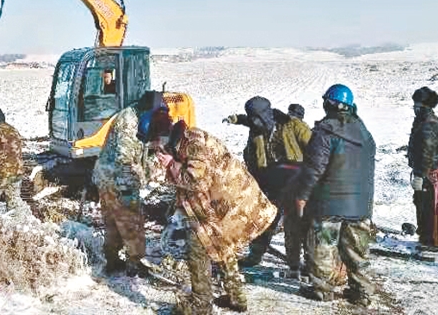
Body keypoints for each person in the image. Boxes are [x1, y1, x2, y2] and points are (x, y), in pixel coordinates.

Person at [149, 120, 278, 314]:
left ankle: (200, 305)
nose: (157, 151)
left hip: (231, 204)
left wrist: (171, 165)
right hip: (220, 204)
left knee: (198, 248)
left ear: (163, 138)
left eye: (156, 146)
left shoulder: (195, 143)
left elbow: (195, 180)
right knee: (221, 245)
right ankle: (237, 297)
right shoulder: (182, 142)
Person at [293, 84, 376, 307]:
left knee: (322, 247)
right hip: (360, 206)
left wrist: (302, 196)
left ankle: (322, 290)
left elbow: (313, 169)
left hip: (329, 204)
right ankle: (362, 292)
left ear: (329, 104)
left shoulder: (325, 132)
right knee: (357, 251)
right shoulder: (364, 133)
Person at [223, 97, 312, 269]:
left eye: (257, 117)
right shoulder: (256, 129)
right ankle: (255, 256)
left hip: (295, 183)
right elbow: (247, 129)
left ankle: (309, 265)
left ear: (266, 114)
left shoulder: (292, 126)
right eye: (252, 118)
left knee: (298, 226)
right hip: (270, 184)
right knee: (263, 221)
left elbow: (315, 148)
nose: (255, 122)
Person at [92, 90, 170, 276]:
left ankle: (112, 260)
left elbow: (142, 147)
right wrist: (136, 183)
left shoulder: (138, 116)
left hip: (107, 176)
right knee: (131, 220)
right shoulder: (129, 121)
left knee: (112, 220)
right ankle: (134, 263)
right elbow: (124, 160)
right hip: (118, 178)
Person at [407, 86, 438, 249]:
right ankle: (426, 237)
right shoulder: (426, 121)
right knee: (423, 204)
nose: (415, 109)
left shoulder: (428, 125)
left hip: (427, 174)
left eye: (417, 106)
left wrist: (420, 175)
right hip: (429, 172)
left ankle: (429, 241)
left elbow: (427, 153)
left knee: (427, 206)